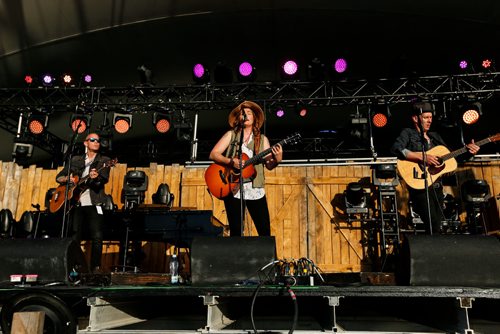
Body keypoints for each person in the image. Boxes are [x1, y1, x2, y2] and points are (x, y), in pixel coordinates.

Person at [391, 102, 480, 234]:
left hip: (437, 186)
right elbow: (396, 149)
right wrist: (421, 157)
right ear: (416, 118)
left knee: (437, 223)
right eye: (426, 117)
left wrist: (468, 152)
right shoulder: (408, 133)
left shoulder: (435, 137)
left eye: (431, 118)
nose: (429, 121)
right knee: (432, 223)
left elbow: (450, 159)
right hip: (419, 185)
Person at [209, 100, 283, 236]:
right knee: (236, 231)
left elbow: (269, 165)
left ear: (254, 118)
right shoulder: (231, 135)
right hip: (232, 186)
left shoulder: (262, 140)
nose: (246, 115)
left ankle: (269, 258)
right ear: (238, 118)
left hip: (255, 188)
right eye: (242, 113)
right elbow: (213, 154)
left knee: (264, 230)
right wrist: (232, 162)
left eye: (249, 113)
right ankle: (236, 257)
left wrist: (277, 160)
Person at [56, 133, 111, 272]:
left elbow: (103, 180)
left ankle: (95, 269)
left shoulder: (104, 160)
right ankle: (75, 267)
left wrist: (96, 177)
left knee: (97, 236)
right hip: (76, 204)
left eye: (98, 140)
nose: (96, 142)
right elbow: (59, 177)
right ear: (85, 143)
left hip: (94, 203)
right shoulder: (75, 159)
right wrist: (68, 179)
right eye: (93, 140)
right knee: (75, 237)